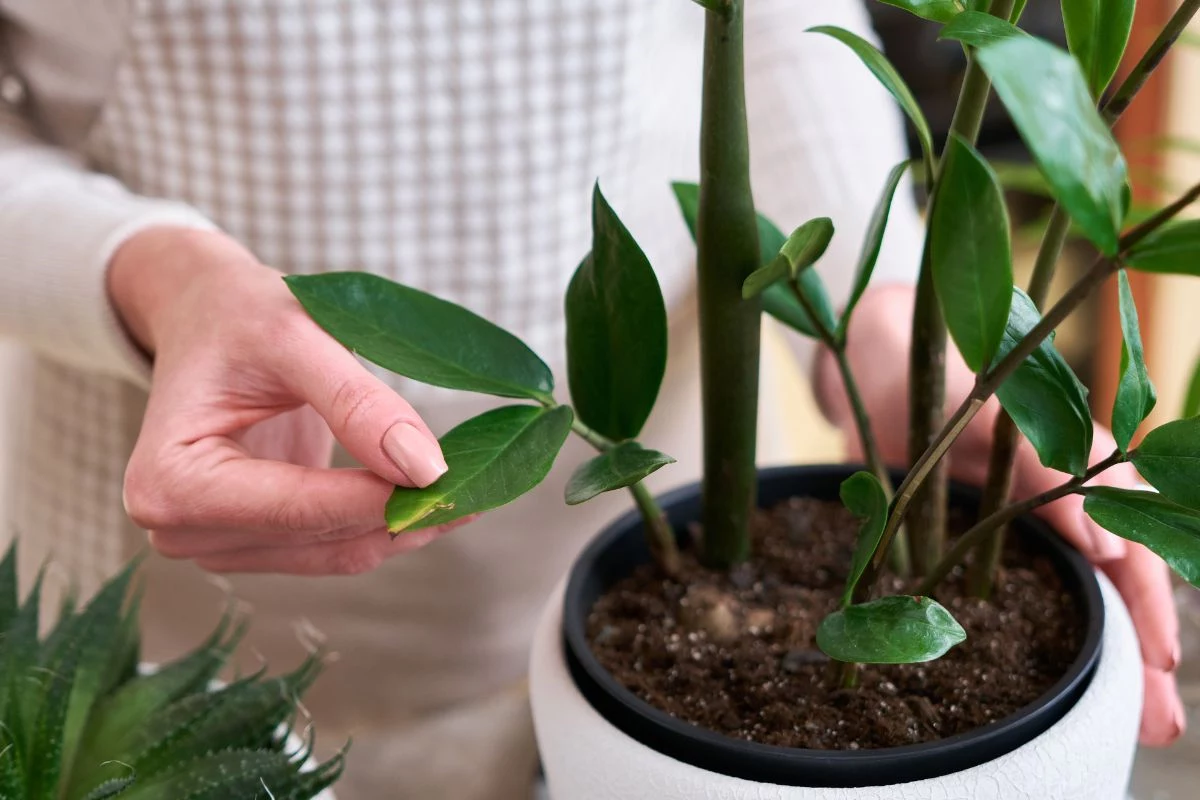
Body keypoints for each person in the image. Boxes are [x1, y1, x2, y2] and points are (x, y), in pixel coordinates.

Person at [0, 1, 1181, 797]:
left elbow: (771, 27)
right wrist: (150, 271)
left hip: (630, 541)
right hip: (155, 584)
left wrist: (882, 324)